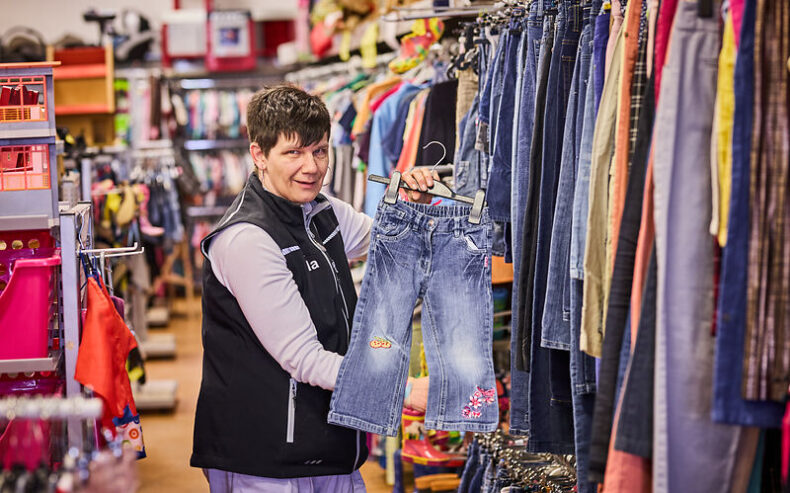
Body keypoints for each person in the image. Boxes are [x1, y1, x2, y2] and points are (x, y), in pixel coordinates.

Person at [191, 84, 436, 492]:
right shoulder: (247, 239)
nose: (311, 166)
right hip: (266, 457)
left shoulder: (321, 211)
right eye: (294, 152)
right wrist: (405, 389)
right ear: (259, 155)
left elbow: (389, 245)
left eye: (319, 151)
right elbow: (303, 357)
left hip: (324, 442)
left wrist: (411, 203)